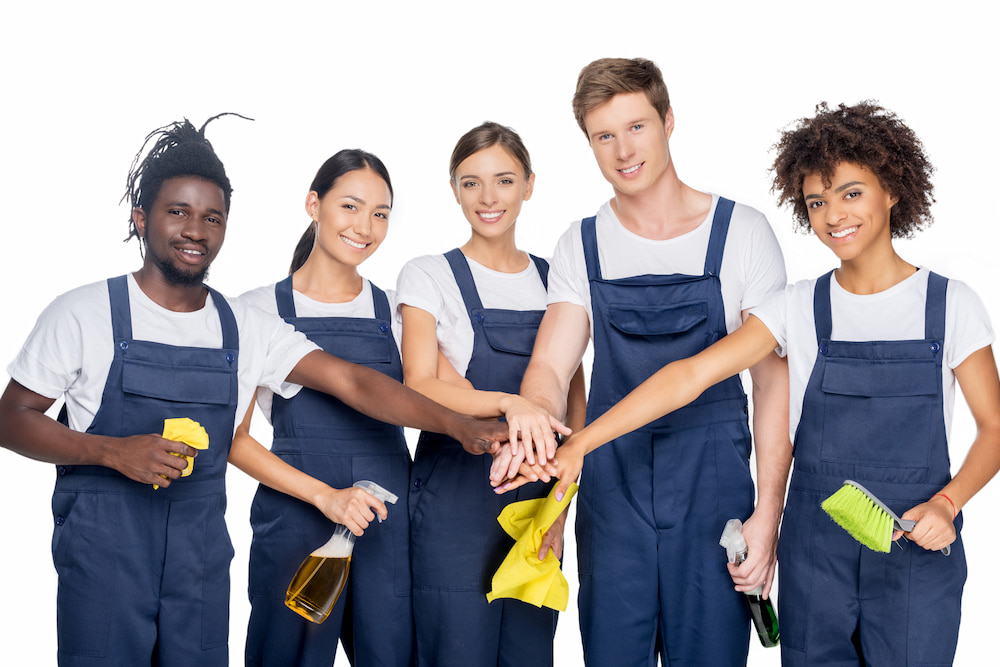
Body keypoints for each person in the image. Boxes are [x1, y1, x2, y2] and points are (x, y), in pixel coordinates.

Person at [0, 116, 508, 667]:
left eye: (211, 217)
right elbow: (11, 418)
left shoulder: (242, 325)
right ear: (140, 218)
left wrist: (461, 424)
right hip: (110, 550)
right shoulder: (83, 313)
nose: (195, 229)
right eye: (178, 212)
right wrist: (110, 451)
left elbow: (355, 381)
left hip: (204, 556)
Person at [540, 101, 1000, 665]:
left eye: (851, 193)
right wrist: (581, 442)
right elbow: (689, 375)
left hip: (915, 547)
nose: (834, 215)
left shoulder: (951, 305)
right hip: (817, 552)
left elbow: (994, 427)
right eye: (817, 202)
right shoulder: (797, 306)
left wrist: (949, 505)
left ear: (893, 191)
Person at [504, 59, 792, 666]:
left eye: (635, 127)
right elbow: (553, 368)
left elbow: (772, 389)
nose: (622, 150)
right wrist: (531, 416)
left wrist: (768, 515)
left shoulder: (741, 233)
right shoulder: (580, 243)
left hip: (713, 491)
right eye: (603, 136)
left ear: (667, 121)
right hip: (613, 492)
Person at [396, 121, 586, 667]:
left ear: (529, 185)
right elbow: (421, 382)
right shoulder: (429, 275)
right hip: (453, 499)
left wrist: (559, 512)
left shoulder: (558, 280)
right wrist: (512, 402)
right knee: (455, 648)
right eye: (470, 182)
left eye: (504, 180)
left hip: (539, 495)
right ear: (454, 188)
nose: (488, 198)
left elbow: (575, 397)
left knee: (530, 650)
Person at [233, 149, 415, 666]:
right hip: (296, 516)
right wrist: (326, 497)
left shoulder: (398, 312)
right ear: (313, 205)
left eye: (380, 214)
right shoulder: (255, 311)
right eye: (351, 207)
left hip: (388, 518)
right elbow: (234, 440)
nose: (366, 227)